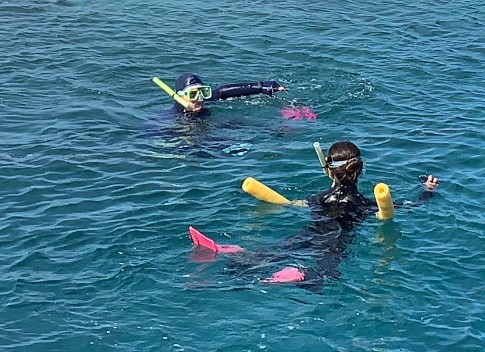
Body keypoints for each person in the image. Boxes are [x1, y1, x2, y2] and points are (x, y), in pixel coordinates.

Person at [203, 141, 439, 289]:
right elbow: (404, 208)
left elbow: (292, 204)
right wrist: (427, 193)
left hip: (309, 232)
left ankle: (238, 253)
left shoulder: (318, 198)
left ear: (328, 171)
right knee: (326, 274)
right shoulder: (362, 204)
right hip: (336, 242)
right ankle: (300, 273)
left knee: (279, 250)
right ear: (359, 170)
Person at [160, 73, 284, 116]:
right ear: (180, 96)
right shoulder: (169, 118)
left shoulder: (205, 99)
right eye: (193, 94)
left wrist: (264, 86)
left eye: (203, 92)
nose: (200, 98)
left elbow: (223, 91)